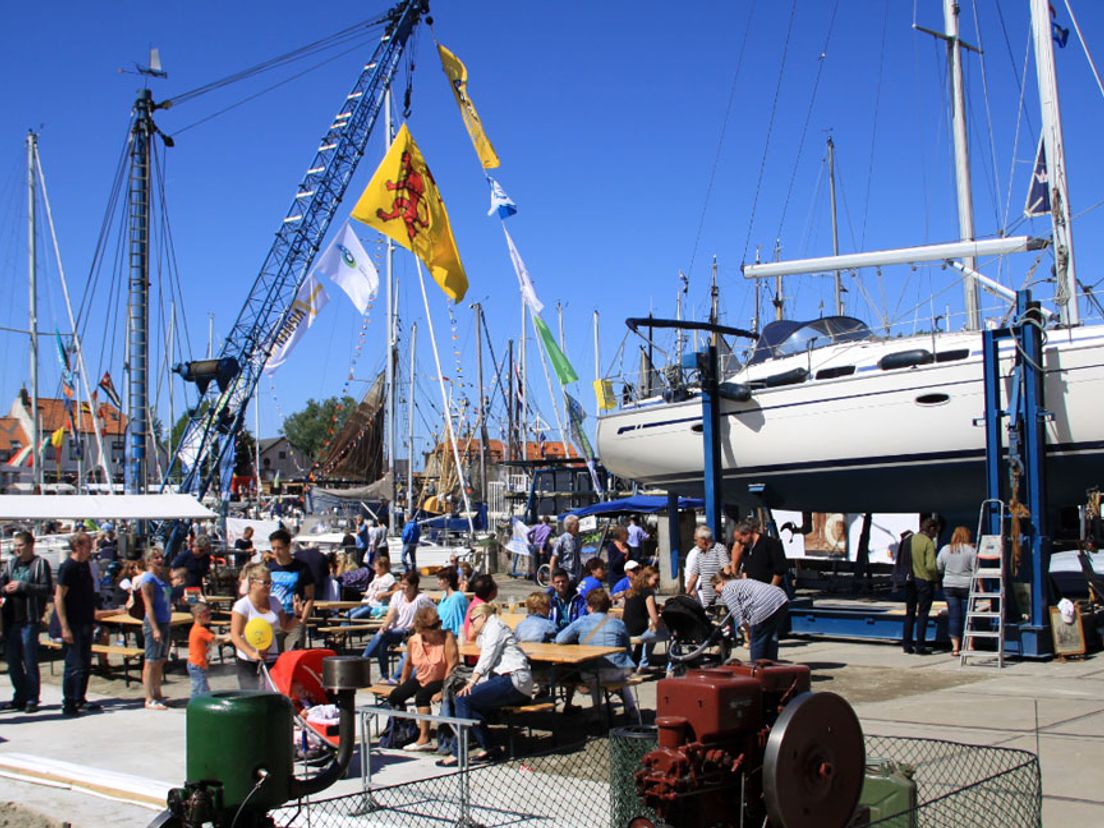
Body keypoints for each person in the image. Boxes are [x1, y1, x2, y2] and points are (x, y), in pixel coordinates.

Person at [438, 602, 534, 767]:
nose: (471, 623)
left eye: (473, 620)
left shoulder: (495, 627)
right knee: (469, 702)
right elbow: (478, 643)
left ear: (483, 617)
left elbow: (487, 657)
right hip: (504, 679)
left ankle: (458, 752)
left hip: (514, 679)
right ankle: (490, 748)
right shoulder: (487, 631)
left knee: (464, 699)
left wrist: (472, 681)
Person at [555, 589, 639, 721]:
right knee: (614, 672)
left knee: (594, 672)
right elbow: (627, 649)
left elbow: (560, 639)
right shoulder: (619, 623)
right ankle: (631, 708)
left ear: (590, 606)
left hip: (592, 672)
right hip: (619, 671)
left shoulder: (582, 621)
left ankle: (597, 711)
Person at [389, 604, 459, 751]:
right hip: (422, 677)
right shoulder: (414, 641)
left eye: (437, 626)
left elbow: (452, 665)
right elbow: (408, 664)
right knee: (396, 695)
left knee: (421, 696)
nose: (436, 630)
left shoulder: (447, 638)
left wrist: (443, 690)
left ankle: (424, 737)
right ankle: (407, 727)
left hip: (443, 678)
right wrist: (403, 682)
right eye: (432, 628)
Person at [1, 531, 53, 714]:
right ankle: (19, 696)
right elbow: (1, 585)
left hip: (29, 619)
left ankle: (32, 698)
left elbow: (47, 588)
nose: (17, 549)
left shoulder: (40, 564)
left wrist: (24, 586)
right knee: (13, 661)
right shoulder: (11, 564)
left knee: (29, 660)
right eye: (15, 546)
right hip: (10, 619)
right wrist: (5, 589)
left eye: (20, 545)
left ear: (31, 545)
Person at [361, 570, 434, 681]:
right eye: (402, 584)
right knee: (382, 637)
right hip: (395, 631)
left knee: (385, 638)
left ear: (414, 585)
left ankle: (363, 660)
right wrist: (385, 624)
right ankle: (383, 674)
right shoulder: (397, 596)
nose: (402, 587)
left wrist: (419, 623)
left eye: (405, 585)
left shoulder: (422, 599)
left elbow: (434, 613)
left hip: (409, 633)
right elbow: (391, 613)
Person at [54, 532, 97, 716]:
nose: (91, 548)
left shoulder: (85, 565)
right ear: (78, 546)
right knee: (73, 663)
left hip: (86, 620)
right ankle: (69, 701)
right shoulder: (68, 567)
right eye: (88, 545)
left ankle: (80, 697)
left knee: (85, 661)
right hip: (73, 623)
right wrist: (64, 626)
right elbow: (58, 598)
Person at [230, 563, 294, 689]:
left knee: (273, 692)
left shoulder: (274, 601)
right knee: (250, 696)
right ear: (253, 583)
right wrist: (253, 654)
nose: (269, 586)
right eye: (265, 582)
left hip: (271, 656)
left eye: (271, 582)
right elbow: (235, 635)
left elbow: (285, 626)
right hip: (248, 658)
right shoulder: (242, 605)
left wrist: (299, 616)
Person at [712, 570, 789, 662]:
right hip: (781, 600)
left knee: (757, 640)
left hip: (765, 606)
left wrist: (748, 630)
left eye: (714, 586)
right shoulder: (742, 582)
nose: (714, 591)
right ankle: (771, 665)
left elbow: (736, 612)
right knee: (769, 637)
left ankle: (757, 668)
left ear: (722, 582)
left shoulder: (727, 589)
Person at [136, 547, 174, 710]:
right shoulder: (148, 579)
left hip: (165, 621)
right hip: (154, 623)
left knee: (160, 660)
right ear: (149, 561)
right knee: (151, 661)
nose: (160, 560)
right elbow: (148, 606)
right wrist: (155, 628)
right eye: (156, 558)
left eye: (161, 557)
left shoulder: (162, 578)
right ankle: (149, 697)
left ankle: (158, 693)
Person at [267, 529, 315, 651]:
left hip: (294, 617)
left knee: (293, 657)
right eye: (273, 548)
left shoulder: (302, 567)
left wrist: (303, 619)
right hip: (274, 618)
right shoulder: (269, 567)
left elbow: (309, 596)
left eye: (279, 548)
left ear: (288, 546)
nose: (276, 552)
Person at [937, 525, 977, 657]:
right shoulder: (971, 550)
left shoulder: (945, 549)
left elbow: (939, 567)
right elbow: (976, 569)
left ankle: (955, 648)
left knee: (954, 616)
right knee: (968, 615)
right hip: (966, 585)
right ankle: (970, 645)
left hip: (949, 585)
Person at [902, 518, 939, 655]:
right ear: (931, 529)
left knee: (909, 612)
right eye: (936, 531)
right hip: (924, 581)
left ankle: (906, 644)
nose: (936, 534)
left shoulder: (910, 539)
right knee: (923, 614)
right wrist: (936, 579)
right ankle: (920, 645)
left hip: (909, 581)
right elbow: (930, 566)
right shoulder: (928, 543)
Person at [623, 565, 668, 670]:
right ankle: (645, 663)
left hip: (627, 629)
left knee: (651, 630)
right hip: (639, 631)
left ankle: (639, 659)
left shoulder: (633, 590)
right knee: (667, 632)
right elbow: (655, 619)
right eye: (655, 580)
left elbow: (638, 607)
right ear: (647, 578)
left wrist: (656, 607)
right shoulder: (648, 593)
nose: (657, 583)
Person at [731, 518, 788, 587]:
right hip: (753, 591)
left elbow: (780, 569)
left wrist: (772, 587)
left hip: (769, 589)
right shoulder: (746, 549)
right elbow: (745, 569)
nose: (740, 543)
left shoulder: (770, 543)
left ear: (748, 534)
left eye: (740, 540)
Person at [187, 602, 227, 697]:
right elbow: (215, 638)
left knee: (201, 687)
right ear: (199, 616)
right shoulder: (200, 630)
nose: (210, 617)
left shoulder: (199, 629)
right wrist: (229, 637)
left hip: (198, 664)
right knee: (200, 690)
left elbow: (214, 641)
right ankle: (195, 707)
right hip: (197, 664)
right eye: (207, 615)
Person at [685, 526, 729, 607]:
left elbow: (726, 570)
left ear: (703, 540)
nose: (695, 543)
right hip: (707, 602)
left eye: (696, 540)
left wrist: (724, 588)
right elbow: (693, 577)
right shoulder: (700, 554)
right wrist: (686, 595)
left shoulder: (719, 549)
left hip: (721, 600)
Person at [349, 556, 397, 620]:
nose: (374, 568)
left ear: (383, 567)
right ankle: (344, 629)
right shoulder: (376, 576)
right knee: (347, 614)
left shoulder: (389, 577)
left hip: (374, 605)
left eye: (376, 566)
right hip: (365, 602)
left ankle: (350, 629)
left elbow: (398, 591)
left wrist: (385, 594)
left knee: (353, 617)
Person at [463, 574, 498, 642]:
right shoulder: (482, 609)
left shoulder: (474, 602)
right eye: (496, 588)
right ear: (492, 593)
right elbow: (472, 636)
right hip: (475, 646)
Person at [435, 566, 469, 638]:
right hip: (441, 634)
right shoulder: (444, 595)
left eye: (440, 579)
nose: (438, 582)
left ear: (448, 581)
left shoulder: (457, 597)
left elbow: (457, 621)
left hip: (452, 637)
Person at [548, 515, 583, 583]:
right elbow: (553, 559)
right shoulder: (562, 540)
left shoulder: (578, 538)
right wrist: (552, 579)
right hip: (566, 578)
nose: (579, 526)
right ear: (570, 526)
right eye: (577, 524)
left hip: (578, 577)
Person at [527, 516, 554, 582]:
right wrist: (541, 548)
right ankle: (541, 578)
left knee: (535, 563)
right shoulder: (548, 529)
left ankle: (536, 580)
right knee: (542, 563)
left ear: (542, 521)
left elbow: (528, 533)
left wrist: (531, 541)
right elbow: (544, 539)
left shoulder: (536, 526)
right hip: (542, 547)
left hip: (535, 546)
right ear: (548, 522)